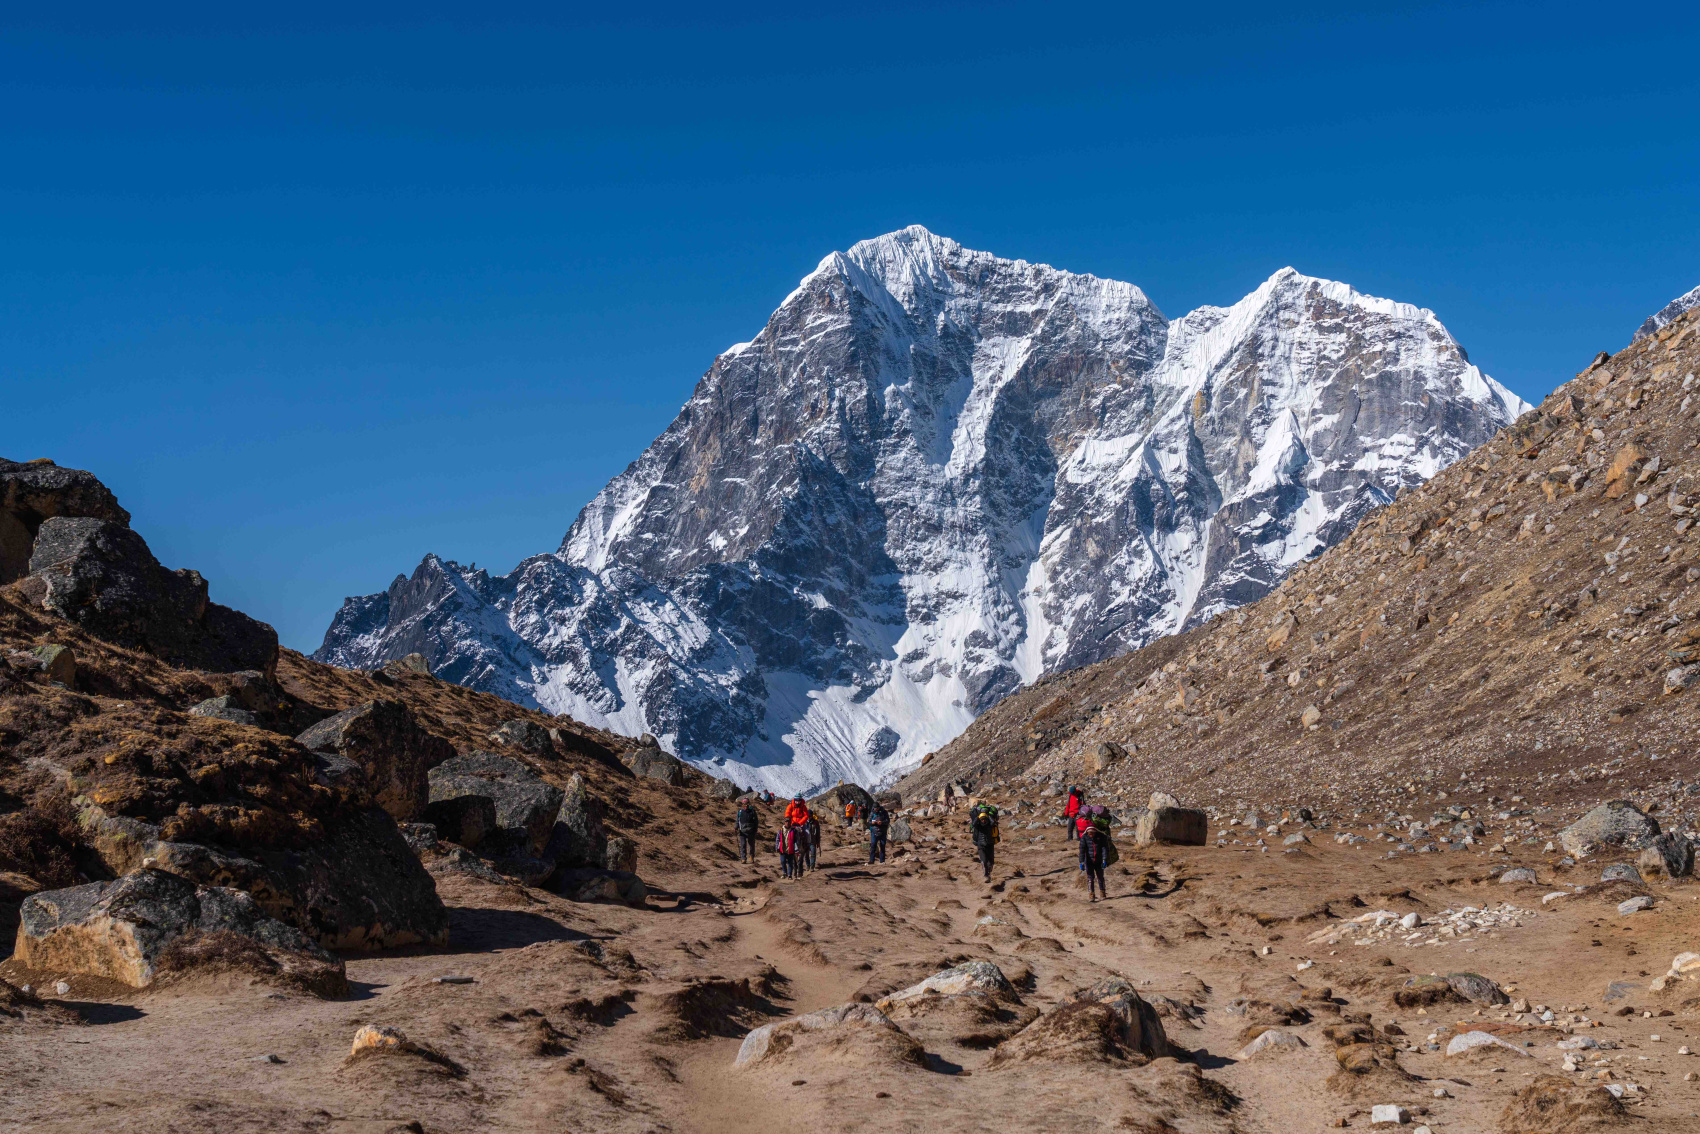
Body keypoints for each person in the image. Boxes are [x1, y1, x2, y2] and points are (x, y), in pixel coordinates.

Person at [1079, 805, 1111, 901]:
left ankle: (1102, 892)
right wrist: (1081, 861)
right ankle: (1091, 894)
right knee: (1090, 878)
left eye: (1092, 833)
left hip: (1099, 860)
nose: (1091, 835)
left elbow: (1104, 848)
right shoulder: (1084, 838)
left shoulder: (1101, 837)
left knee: (1100, 877)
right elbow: (1082, 850)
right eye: (1089, 833)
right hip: (1089, 861)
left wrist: (1104, 859)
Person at [968, 801, 999, 883]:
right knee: (984, 861)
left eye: (985, 819)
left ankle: (988, 872)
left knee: (991, 862)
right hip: (981, 845)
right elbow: (973, 824)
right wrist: (978, 817)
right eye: (982, 819)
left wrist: (988, 817)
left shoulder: (990, 824)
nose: (983, 821)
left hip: (990, 844)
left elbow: (993, 823)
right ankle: (986, 875)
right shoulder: (978, 825)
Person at [735, 797, 760, 863]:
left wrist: (755, 829)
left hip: (751, 831)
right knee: (743, 844)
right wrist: (736, 827)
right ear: (742, 805)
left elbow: (756, 821)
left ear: (749, 804)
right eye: (744, 804)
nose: (745, 806)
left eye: (746, 804)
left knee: (751, 845)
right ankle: (743, 858)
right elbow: (737, 820)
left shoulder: (752, 812)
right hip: (742, 831)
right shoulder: (740, 812)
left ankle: (751, 856)